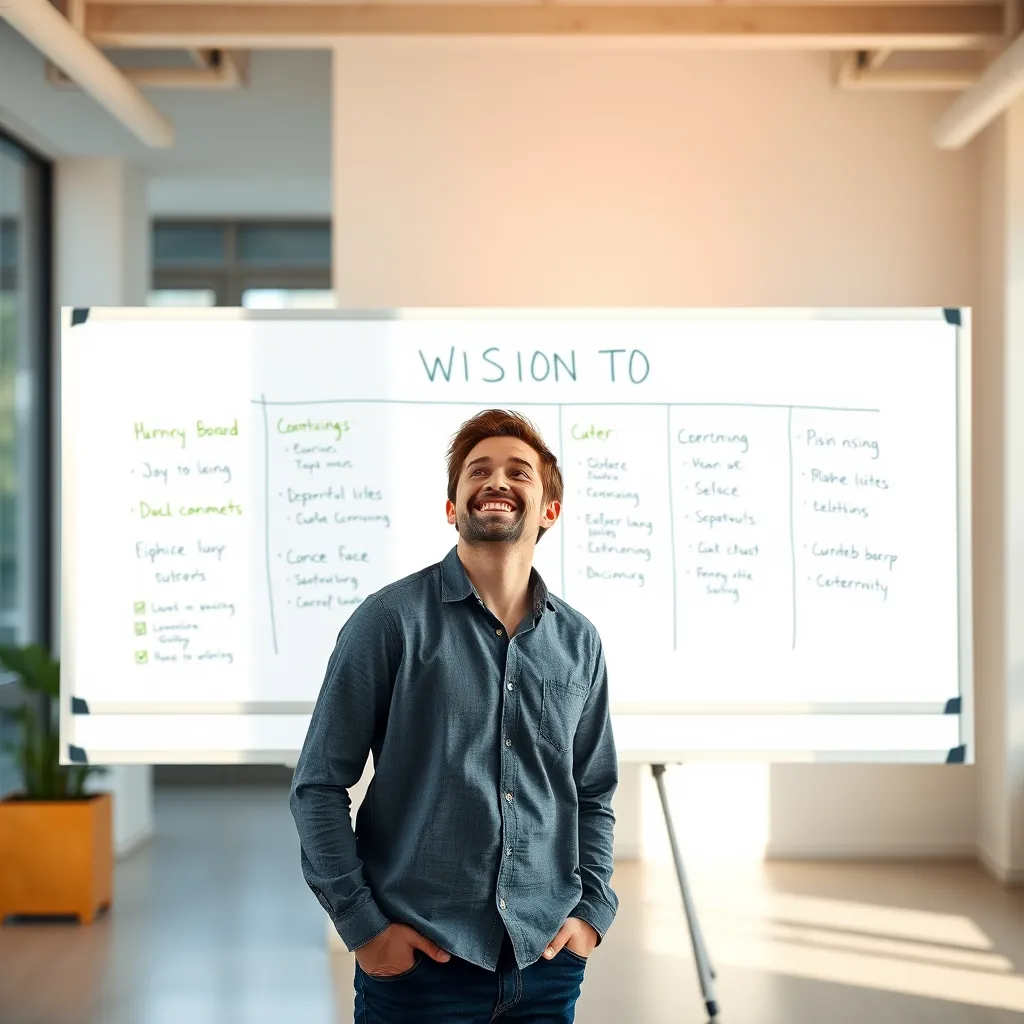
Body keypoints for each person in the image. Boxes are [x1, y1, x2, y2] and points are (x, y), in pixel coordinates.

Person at [289, 408, 619, 1023]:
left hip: (545, 968)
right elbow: (317, 787)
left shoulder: (580, 643)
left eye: (518, 472)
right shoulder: (388, 622)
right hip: (420, 973)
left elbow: (592, 790)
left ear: (548, 509)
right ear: (452, 507)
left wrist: (591, 914)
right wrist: (365, 931)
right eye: (478, 471)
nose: (496, 480)